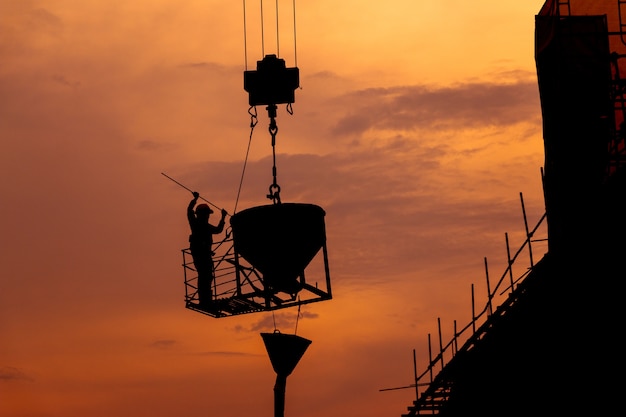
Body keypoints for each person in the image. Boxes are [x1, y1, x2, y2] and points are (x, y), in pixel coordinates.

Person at [187, 191, 227, 305]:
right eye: (206, 214)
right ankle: (204, 299)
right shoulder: (195, 224)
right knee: (204, 275)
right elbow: (189, 212)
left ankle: (206, 299)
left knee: (208, 276)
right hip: (200, 255)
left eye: (207, 214)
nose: (207, 216)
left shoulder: (206, 227)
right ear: (201, 214)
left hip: (205, 255)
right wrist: (195, 200)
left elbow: (219, 230)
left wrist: (223, 217)